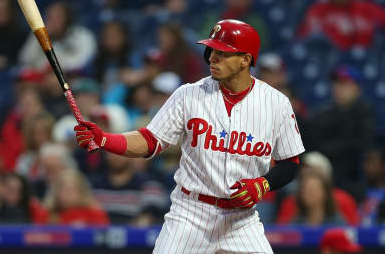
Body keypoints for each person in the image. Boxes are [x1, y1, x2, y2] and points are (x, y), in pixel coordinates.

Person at [75, 19, 304, 253]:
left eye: (223, 53)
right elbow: (150, 140)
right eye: (212, 50)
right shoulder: (188, 94)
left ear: (246, 60)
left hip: (241, 221)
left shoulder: (276, 104)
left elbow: (290, 163)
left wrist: (264, 184)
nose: (212, 58)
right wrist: (104, 139)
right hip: (191, 213)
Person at [311, 65, 375, 201]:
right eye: (336, 84)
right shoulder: (324, 114)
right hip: (325, 175)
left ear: (358, 88)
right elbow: (315, 145)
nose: (338, 88)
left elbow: (363, 145)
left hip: (353, 178)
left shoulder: (366, 113)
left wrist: (334, 148)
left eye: (344, 84)